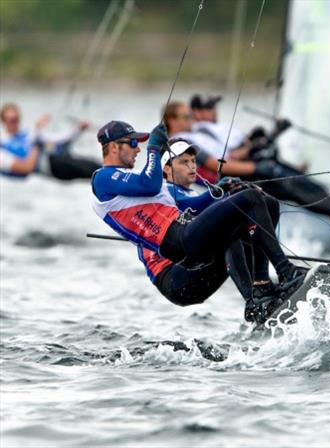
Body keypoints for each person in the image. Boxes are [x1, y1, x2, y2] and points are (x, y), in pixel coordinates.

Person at [90, 120, 306, 323]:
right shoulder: (103, 178)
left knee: (267, 203)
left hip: (184, 240)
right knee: (249, 201)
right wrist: (154, 149)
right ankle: (283, 273)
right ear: (114, 148)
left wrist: (222, 189)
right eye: (134, 143)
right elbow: (150, 185)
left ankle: (262, 288)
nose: (138, 149)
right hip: (175, 252)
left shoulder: (140, 185)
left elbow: (189, 205)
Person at [164, 100, 330, 226]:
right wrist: (256, 167)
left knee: (296, 178)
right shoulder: (180, 143)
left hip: (245, 170)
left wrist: (266, 139)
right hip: (232, 181)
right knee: (288, 184)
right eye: (185, 116)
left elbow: (232, 155)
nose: (191, 119)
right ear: (171, 120)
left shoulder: (197, 134)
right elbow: (219, 166)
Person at [0, 103, 101, 180]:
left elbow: (58, 139)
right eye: (12, 120)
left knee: (98, 166)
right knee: (95, 172)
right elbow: (27, 167)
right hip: (52, 167)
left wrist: (78, 129)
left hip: (60, 157)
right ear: (4, 121)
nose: (16, 123)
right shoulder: (4, 146)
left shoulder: (28, 133)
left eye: (17, 119)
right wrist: (36, 138)